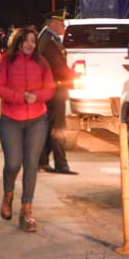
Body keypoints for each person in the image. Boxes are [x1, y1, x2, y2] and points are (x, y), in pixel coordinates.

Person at [0, 27, 56, 231]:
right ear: (19, 41)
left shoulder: (42, 62)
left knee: (31, 163)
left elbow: (50, 87)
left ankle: (27, 211)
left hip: (37, 119)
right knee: (13, 163)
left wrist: (37, 96)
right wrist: (20, 97)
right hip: (11, 119)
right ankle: (8, 194)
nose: (30, 45)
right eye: (27, 41)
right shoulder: (6, 62)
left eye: (33, 41)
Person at [35, 10, 77, 174]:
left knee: (50, 127)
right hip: (55, 89)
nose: (64, 27)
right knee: (58, 129)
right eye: (61, 24)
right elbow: (57, 68)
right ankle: (61, 164)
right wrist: (73, 75)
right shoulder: (49, 41)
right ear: (52, 23)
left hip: (52, 88)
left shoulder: (47, 38)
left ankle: (41, 161)